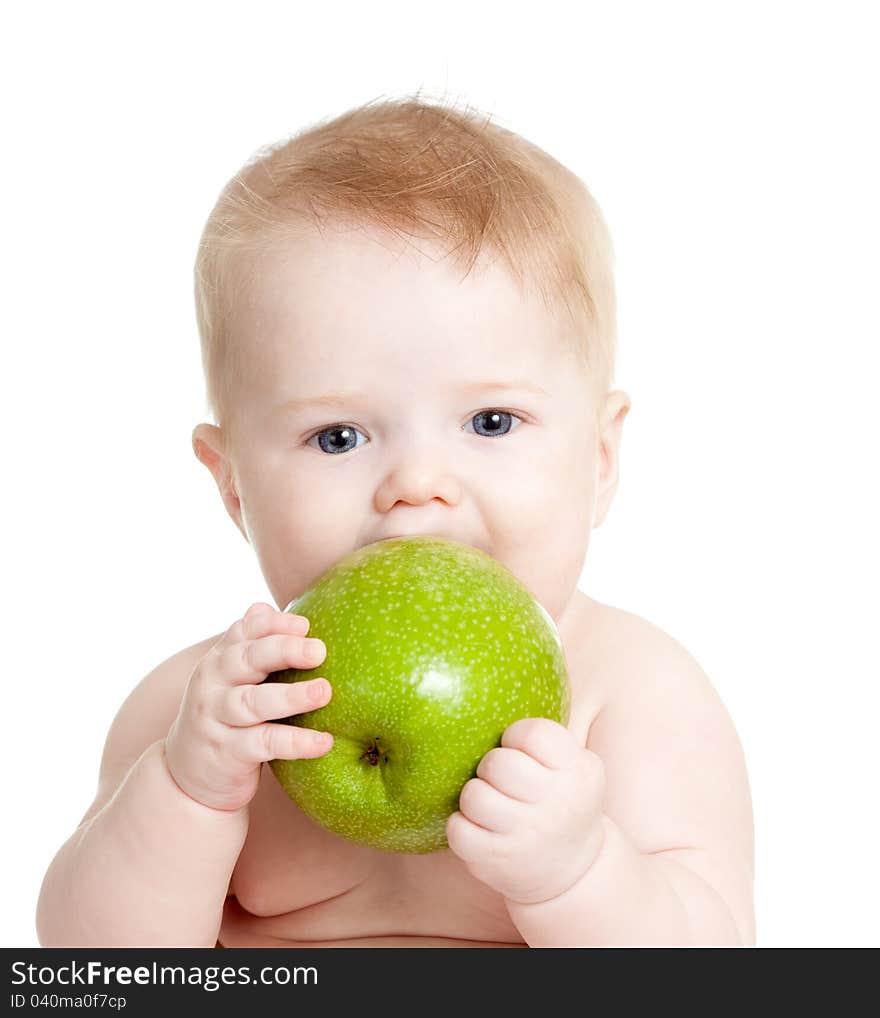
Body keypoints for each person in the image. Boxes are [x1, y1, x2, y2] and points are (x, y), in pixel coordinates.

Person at [36, 94, 755, 947]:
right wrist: (186, 795)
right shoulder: (201, 715)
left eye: (491, 423)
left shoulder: (635, 696)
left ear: (599, 459)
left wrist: (581, 873)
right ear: (233, 489)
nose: (417, 486)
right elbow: (95, 971)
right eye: (336, 437)